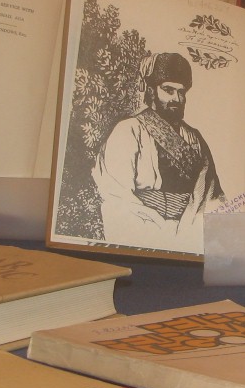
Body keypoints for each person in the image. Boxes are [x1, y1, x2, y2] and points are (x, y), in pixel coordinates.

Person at [92, 51, 224, 249]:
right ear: (151, 90)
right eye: (168, 90)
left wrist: (188, 235)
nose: (176, 98)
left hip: (189, 235)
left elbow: (211, 198)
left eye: (181, 92)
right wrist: (164, 236)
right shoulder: (128, 131)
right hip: (143, 234)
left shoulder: (195, 139)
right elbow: (116, 197)